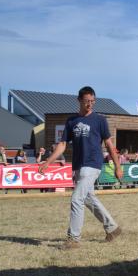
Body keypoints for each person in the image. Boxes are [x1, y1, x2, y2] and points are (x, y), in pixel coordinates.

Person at [38, 86, 123, 249]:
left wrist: (117, 167)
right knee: (88, 198)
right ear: (79, 101)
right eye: (87, 101)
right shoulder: (71, 121)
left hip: (93, 164)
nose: (90, 104)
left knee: (76, 198)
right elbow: (62, 144)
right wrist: (48, 162)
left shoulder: (100, 120)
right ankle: (112, 228)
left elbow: (110, 145)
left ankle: (73, 239)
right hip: (78, 166)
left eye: (92, 101)